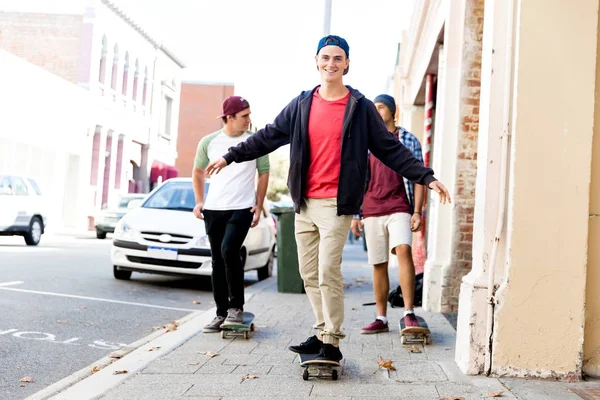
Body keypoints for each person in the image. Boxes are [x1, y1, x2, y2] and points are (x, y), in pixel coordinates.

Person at [205, 35, 451, 362]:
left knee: (327, 272)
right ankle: (321, 330)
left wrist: (426, 176)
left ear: (347, 63)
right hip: (304, 203)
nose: (331, 64)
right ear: (316, 61)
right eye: (326, 58)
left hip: (337, 204)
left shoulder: (360, 107)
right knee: (308, 274)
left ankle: (332, 343)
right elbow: (267, 137)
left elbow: (391, 150)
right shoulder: (302, 104)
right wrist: (230, 156)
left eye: (338, 58)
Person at [192, 96, 270, 333]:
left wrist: (259, 203)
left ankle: (236, 307)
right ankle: (220, 313)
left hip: (242, 207)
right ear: (229, 117)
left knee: (229, 250)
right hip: (215, 209)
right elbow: (197, 172)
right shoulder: (209, 142)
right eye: (244, 115)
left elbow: (264, 172)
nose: (249, 119)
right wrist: (199, 202)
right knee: (217, 259)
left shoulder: (255, 142)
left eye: (249, 114)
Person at [350, 94, 425, 334]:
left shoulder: (407, 139)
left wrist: (418, 212)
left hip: (400, 206)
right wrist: (355, 213)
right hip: (372, 209)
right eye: (373, 108)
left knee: (404, 250)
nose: (376, 111)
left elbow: (419, 176)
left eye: (380, 107)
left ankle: (409, 311)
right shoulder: (365, 142)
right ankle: (381, 318)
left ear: (393, 112)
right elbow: (357, 180)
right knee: (378, 263)